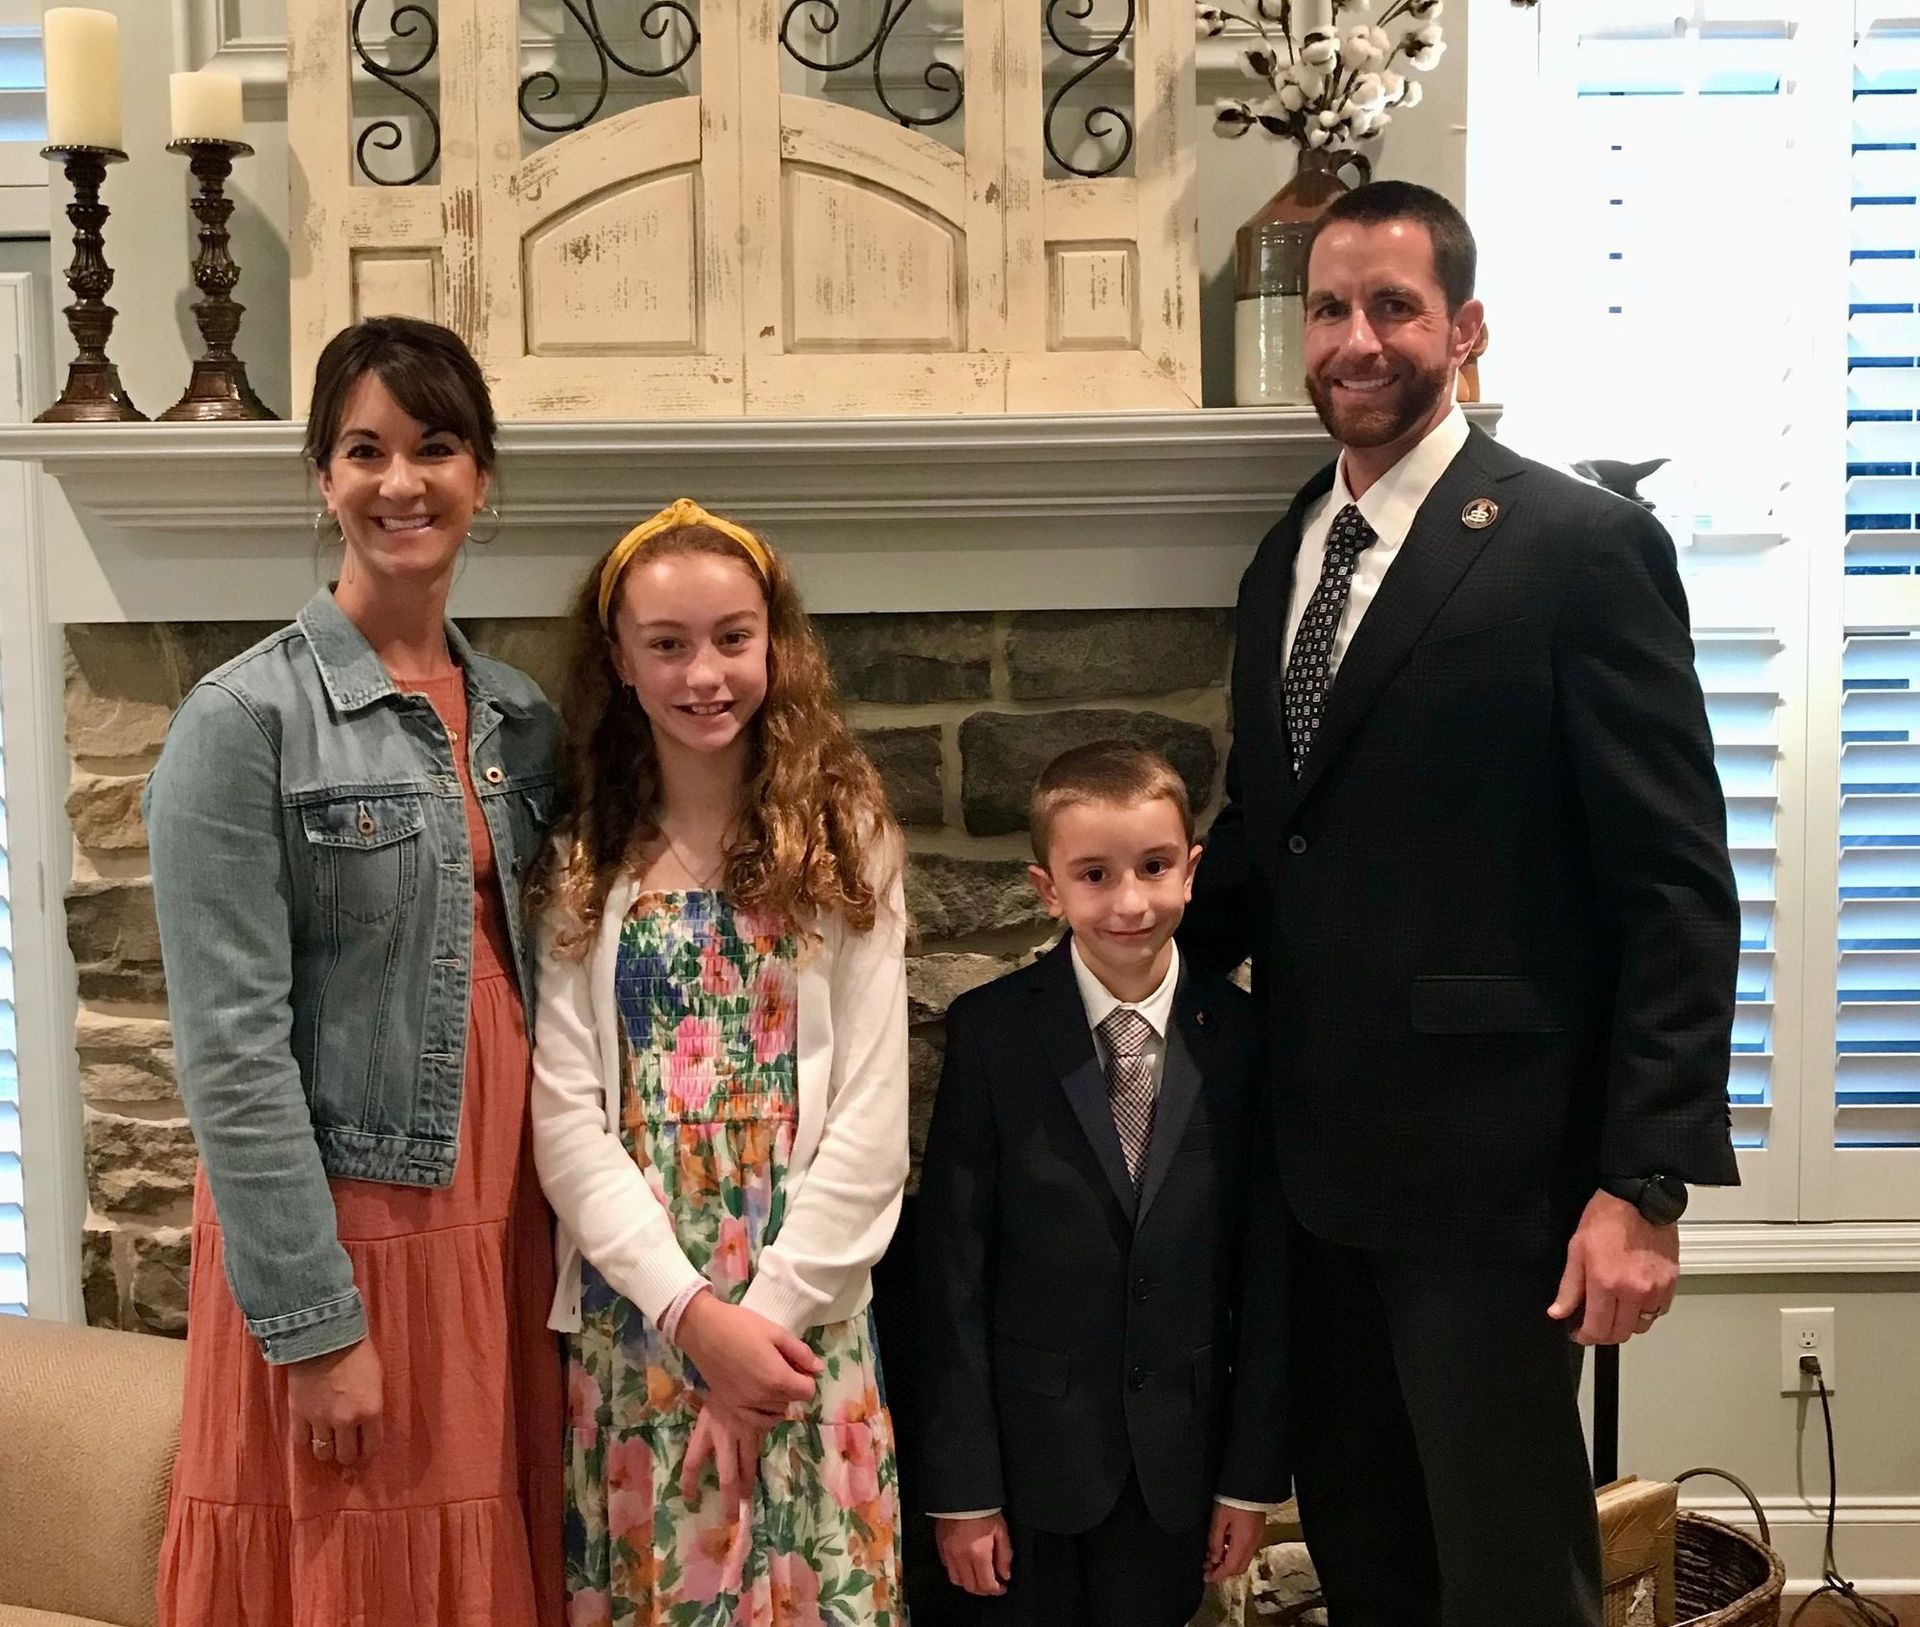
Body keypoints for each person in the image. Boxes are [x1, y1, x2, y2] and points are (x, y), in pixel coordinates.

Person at [1181, 180, 1741, 1627]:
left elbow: (1673, 880)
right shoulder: (1289, 548)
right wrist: (1121, 957)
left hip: (1501, 1179)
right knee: (1372, 1554)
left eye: (1393, 307)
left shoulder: (1578, 546)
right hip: (1317, 1170)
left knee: (1505, 1570)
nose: (1355, 340)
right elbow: (1273, 834)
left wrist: (1646, 1183)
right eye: (1327, 308)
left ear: (1464, 327)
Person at [146, 315, 565, 1625]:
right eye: (366, 449)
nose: (403, 482)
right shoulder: (241, 721)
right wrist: (314, 1321)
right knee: (356, 1564)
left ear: (481, 475)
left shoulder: (523, 718)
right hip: (353, 1233)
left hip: (508, 1221)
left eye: (436, 446)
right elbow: (227, 1049)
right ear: (321, 477)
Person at [526, 498, 911, 1624]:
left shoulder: (848, 842)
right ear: (621, 662)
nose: (707, 673)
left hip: (807, 1312)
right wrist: (697, 1319)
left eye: (733, 637)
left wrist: (763, 1341)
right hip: (643, 1313)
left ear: (775, 643)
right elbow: (566, 1124)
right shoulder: (583, 865)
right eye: (669, 644)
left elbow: (874, 1121)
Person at [917, 741, 1289, 1627]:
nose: (1130, 900)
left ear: (1192, 871)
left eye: (1154, 867)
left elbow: (1267, 1272)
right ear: (1049, 889)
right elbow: (952, 1275)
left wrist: (1250, 1477)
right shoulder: (991, 1035)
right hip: (1025, 1463)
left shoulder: (1243, 1039)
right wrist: (963, 1490)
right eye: (1094, 874)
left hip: (1178, 1468)